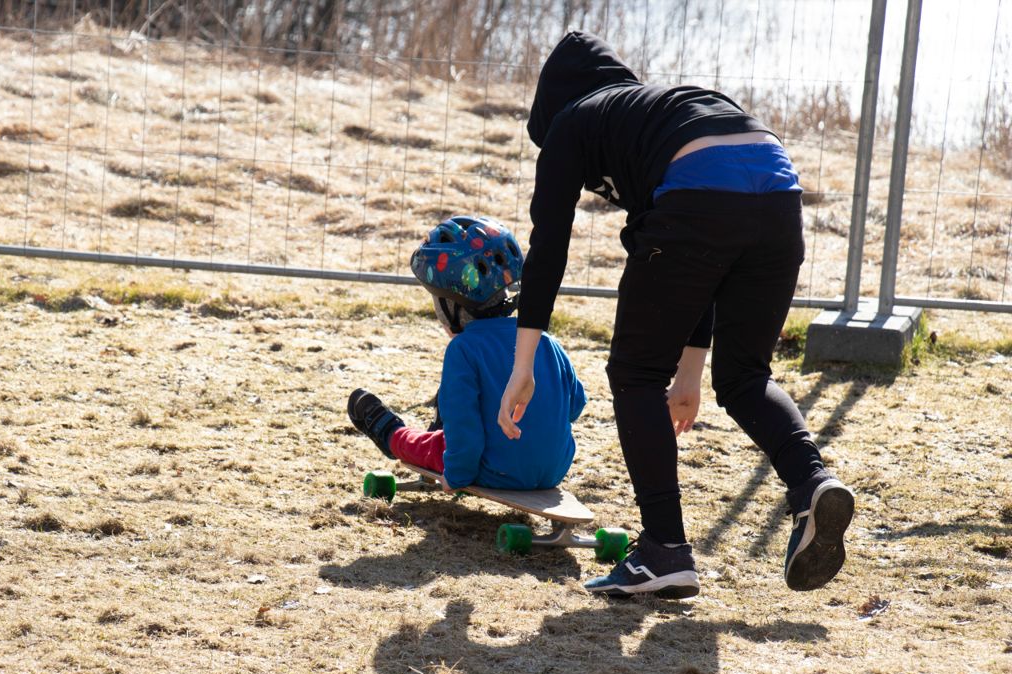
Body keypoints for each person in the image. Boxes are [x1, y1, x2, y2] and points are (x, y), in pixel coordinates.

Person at [497, 31, 854, 599]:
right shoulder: (655, 112)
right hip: (780, 196)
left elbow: (549, 249)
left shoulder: (572, 122)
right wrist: (691, 372)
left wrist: (524, 363)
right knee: (744, 378)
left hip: (703, 196)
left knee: (635, 373)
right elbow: (703, 255)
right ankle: (813, 482)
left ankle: (663, 549)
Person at [349, 215, 586, 493]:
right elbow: (575, 406)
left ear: (451, 303)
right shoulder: (544, 341)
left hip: (492, 470)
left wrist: (457, 478)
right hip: (553, 471)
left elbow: (465, 435)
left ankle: (389, 431)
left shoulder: (463, 350)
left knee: (433, 446)